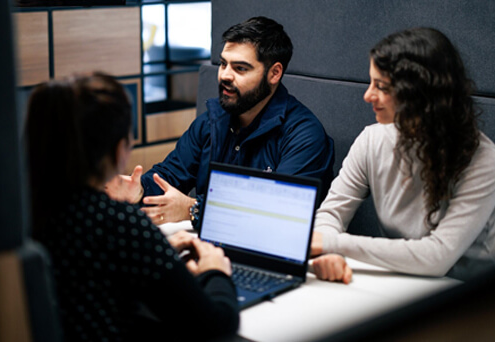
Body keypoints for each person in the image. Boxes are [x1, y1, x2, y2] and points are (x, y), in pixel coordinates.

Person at [25, 73, 239, 341]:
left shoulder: (23, 213)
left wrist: (157, 252)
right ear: (118, 150)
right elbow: (216, 324)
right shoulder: (117, 223)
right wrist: (215, 269)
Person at [310, 27, 495, 282]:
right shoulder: (372, 139)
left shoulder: (484, 161)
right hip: (399, 281)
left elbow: (437, 256)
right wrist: (327, 255)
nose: (367, 95)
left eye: (381, 86)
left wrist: (333, 244)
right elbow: (330, 214)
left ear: (419, 95)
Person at [105, 16, 335, 228]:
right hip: (207, 247)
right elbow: (170, 176)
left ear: (274, 73)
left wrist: (193, 209)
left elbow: (276, 213)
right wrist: (140, 190)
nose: (224, 75)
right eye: (223, 64)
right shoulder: (211, 122)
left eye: (240, 68)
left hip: (270, 260)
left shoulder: (305, 135)